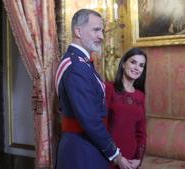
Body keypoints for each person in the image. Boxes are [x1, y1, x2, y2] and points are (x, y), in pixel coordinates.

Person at [55, 9, 133, 169]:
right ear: (78, 31)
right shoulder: (77, 67)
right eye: (96, 30)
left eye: (102, 31)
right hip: (81, 151)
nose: (102, 36)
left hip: (84, 145)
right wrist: (115, 155)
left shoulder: (77, 61)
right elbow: (90, 120)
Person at [105, 48, 147, 169]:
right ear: (123, 64)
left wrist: (138, 159)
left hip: (131, 160)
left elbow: (141, 131)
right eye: (133, 62)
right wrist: (116, 157)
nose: (136, 67)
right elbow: (101, 126)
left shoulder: (140, 96)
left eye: (141, 65)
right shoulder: (108, 88)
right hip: (110, 156)